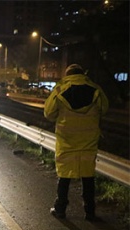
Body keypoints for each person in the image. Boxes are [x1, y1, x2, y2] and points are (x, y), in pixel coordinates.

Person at [44, 64, 109, 221]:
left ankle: (60, 209)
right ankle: (90, 211)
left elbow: (48, 113)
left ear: (67, 75)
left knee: (64, 175)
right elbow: (104, 109)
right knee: (88, 177)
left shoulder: (60, 90)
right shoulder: (95, 89)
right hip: (88, 140)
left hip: (67, 140)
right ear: (82, 74)